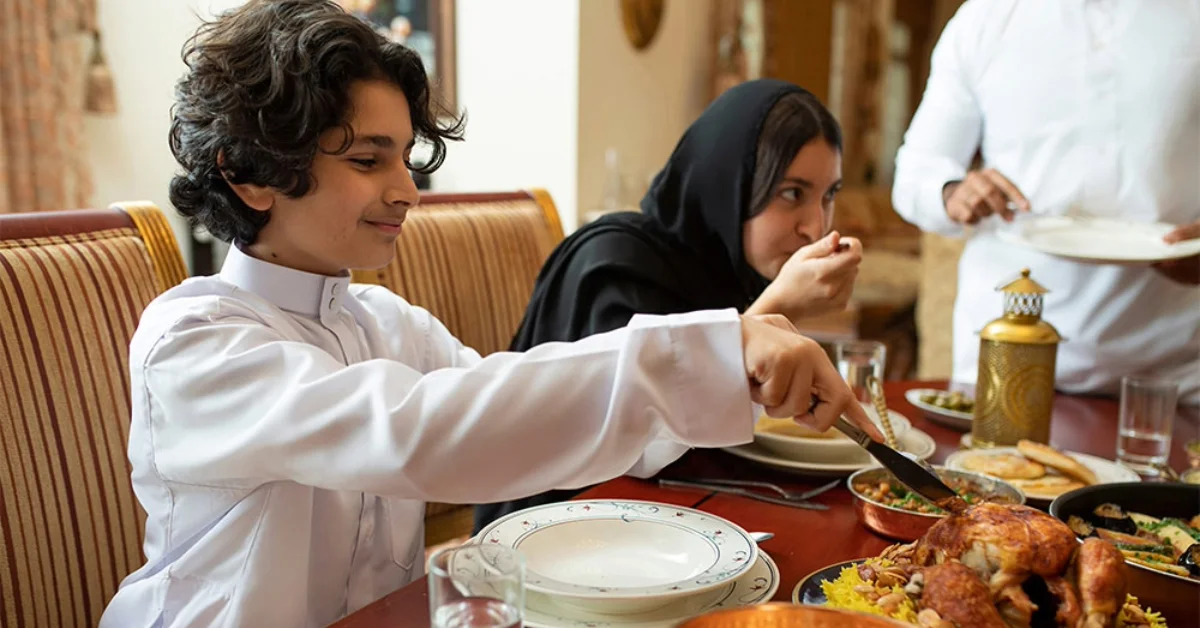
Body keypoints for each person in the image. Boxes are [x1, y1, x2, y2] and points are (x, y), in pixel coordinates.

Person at [98, 2, 879, 626]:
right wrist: (712, 348)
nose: (406, 189)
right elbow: (418, 433)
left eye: (407, 157)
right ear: (250, 174)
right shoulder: (193, 341)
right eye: (368, 160)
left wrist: (731, 371)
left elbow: (518, 413)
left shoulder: (382, 321)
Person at [475, 79, 862, 532]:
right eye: (792, 193)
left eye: (828, 195)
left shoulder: (732, 271)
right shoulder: (614, 263)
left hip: (669, 529)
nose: (815, 226)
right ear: (727, 182)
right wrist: (777, 309)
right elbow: (634, 442)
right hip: (548, 540)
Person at [892, 0, 1200, 404]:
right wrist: (952, 191)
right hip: (1006, 352)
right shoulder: (987, 18)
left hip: (1172, 366)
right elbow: (916, 171)